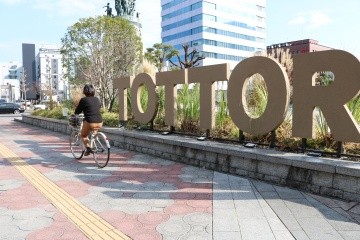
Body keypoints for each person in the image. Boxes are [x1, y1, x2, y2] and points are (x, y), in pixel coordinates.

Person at [74, 84, 103, 156]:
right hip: (100, 121)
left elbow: (77, 111)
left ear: (85, 91)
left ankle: (88, 148)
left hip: (90, 122)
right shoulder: (97, 99)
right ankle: (93, 144)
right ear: (93, 91)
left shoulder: (84, 100)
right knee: (94, 133)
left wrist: (76, 113)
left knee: (83, 135)